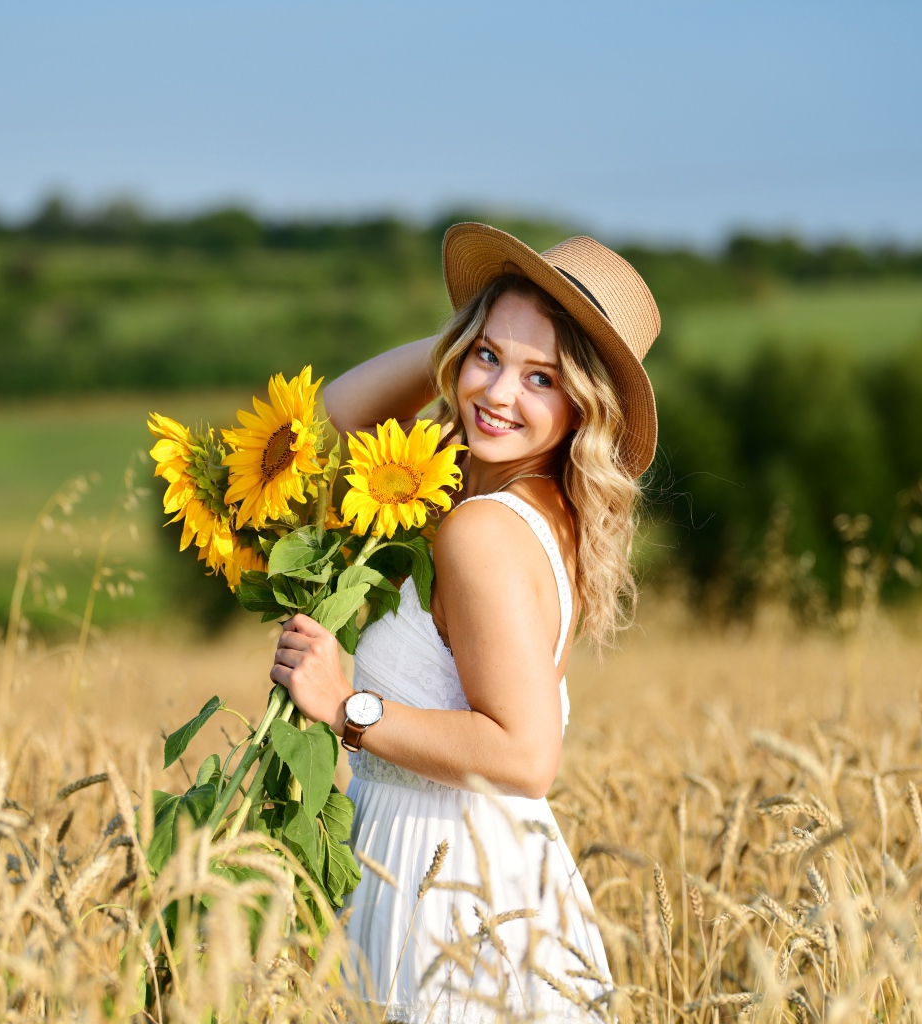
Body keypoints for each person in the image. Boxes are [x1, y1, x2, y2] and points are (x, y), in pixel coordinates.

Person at [268, 223, 661, 1022]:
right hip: (475, 874)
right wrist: (462, 346)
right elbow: (327, 427)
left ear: (583, 404)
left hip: (447, 895)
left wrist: (346, 707)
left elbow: (524, 755)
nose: (499, 394)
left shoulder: (482, 530)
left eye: (542, 377)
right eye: (489, 357)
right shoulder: (536, 506)